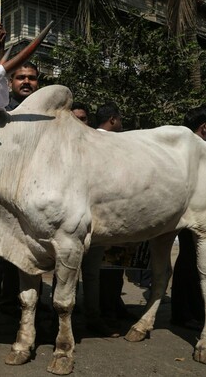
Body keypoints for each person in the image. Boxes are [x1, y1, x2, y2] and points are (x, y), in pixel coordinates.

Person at [0, 61, 40, 349]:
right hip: (0, 203)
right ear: (11, 82)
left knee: (29, 264)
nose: (26, 82)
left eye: (32, 78)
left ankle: (22, 317)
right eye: (21, 77)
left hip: (33, 204)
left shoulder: (44, 115)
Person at [81, 102, 126, 337]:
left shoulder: (84, 140)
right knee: (93, 274)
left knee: (65, 273)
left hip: (79, 217)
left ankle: (64, 320)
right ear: (112, 120)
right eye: (119, 119)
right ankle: (94, 317)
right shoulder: (111, 144)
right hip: (100, 220)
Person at [171, 105, 206, 330]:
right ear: (203, 126)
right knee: (190, 262)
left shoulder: (183, 147)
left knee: (191, 262)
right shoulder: (198, 150)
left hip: (188, 213)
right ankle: (184, 311)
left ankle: (193, 310)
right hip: (193, 214)